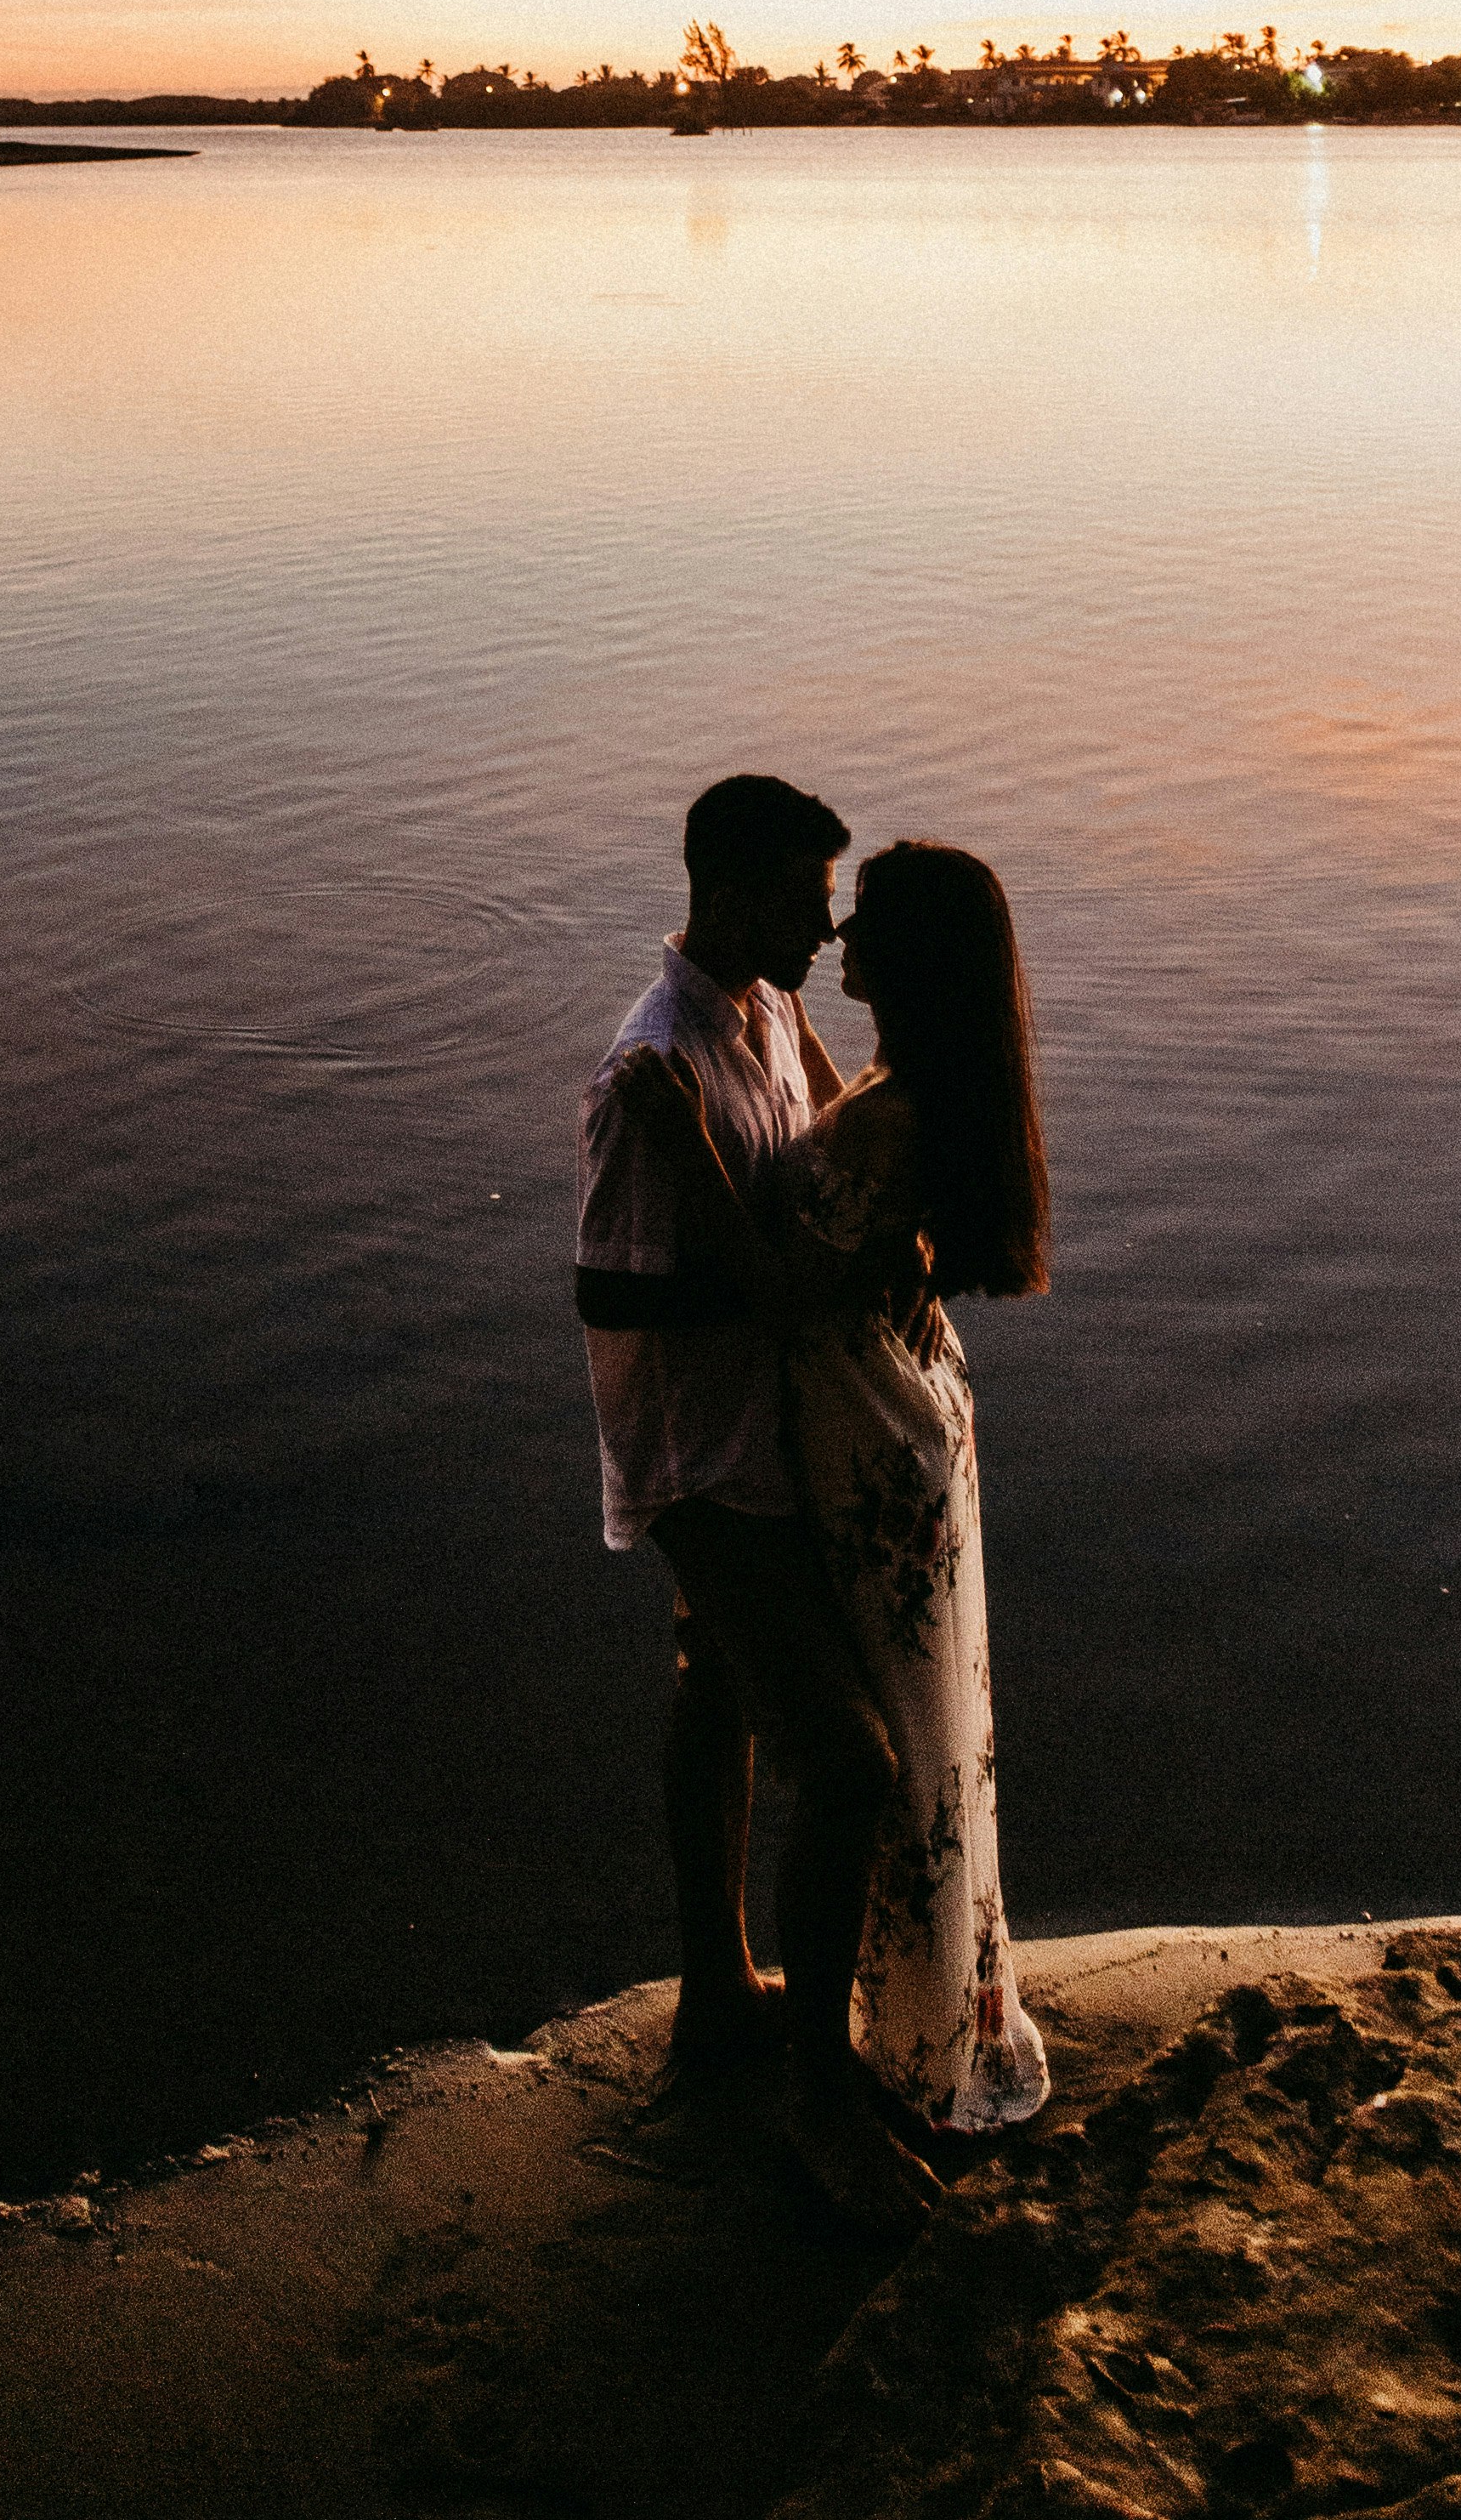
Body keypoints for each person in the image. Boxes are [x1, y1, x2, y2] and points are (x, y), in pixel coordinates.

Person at [616, 837, 1051, 2159]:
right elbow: (830, 1149)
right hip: (908, 1409)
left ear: (905, 958)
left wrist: (685, 1142)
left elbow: (786, 1288)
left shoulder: (890, 1120)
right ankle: (899, 2008)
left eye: (860, 919)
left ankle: (896, 2042)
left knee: (895, 1736)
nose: (837, 933)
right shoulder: (910, 1091)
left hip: (867, 1445)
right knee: (917, 1710)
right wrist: (790, 1042)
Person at [575, 774, 937, 2232]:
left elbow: (825, 1165)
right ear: (727, 890)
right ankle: (817, 2095)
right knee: (847, 1766)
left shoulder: (774, 1018)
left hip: (774, 1441)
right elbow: (603, 1288)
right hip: (705, 1461)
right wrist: (770, 1280)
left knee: (712, 1690)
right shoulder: (644, 1073)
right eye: (804, 892)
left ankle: (718, 1985)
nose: (825, 920)